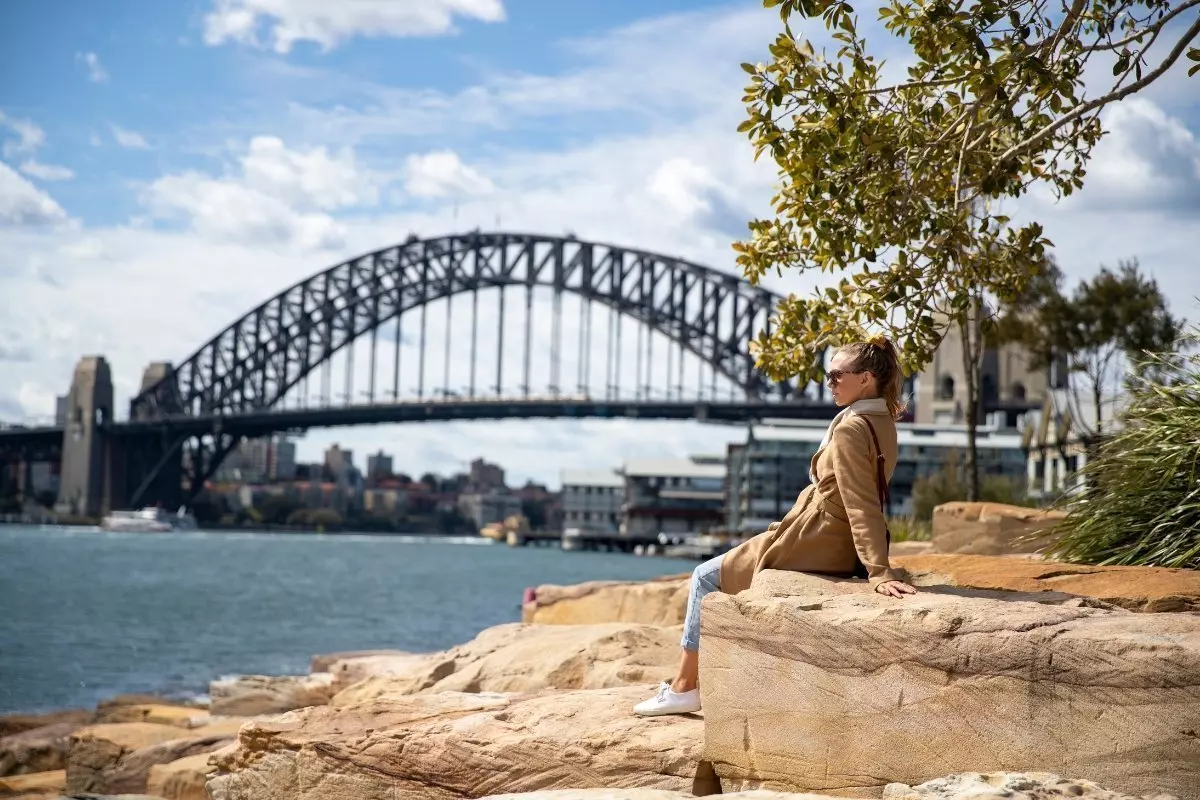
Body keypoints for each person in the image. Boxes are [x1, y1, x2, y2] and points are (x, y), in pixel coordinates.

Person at [633, 335, 918, 717]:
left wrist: (879, 571)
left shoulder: (851, 428)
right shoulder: (882, 420)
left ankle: (685, 687)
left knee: (704, 576)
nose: (829, 383)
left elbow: (860, 500)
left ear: (865, 378)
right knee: (737, 559)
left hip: (821, 536)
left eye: (837, 375)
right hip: (825, 533)